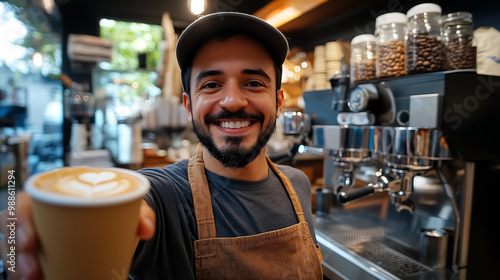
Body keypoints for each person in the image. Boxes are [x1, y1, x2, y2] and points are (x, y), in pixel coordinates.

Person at [0, 12, 323, 279]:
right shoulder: (166, 196)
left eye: (253, 82)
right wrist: (55, 228)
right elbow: (131, 211)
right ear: (187, 104)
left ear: (279, 101)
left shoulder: (298, 185)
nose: (233, 101)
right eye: (211, 85)